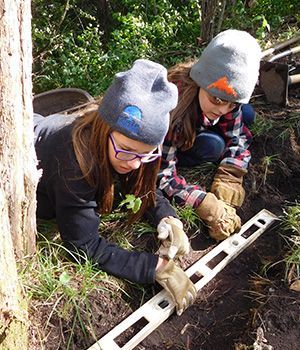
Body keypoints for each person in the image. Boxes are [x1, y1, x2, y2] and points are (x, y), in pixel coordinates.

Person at [34, 59, 196, 315]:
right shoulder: (74, 163)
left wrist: (167, 217)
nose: (134, 164)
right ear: (103, 128)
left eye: (146, 154)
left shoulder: (131, 149)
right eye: (127, 150)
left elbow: (142, 186)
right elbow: (81, 244)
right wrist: (153, 267)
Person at [158, 29, 262, 241]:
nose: (224, 109)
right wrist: (203, 202)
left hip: (200, 119)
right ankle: (196, 143)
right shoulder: (172, 111)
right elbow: (161, 175)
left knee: (248, 114)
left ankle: (215, 118)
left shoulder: (225, 97)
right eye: (217, 100)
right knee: (213, 146)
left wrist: (231, 173)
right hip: (179, 132)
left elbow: (238, 136)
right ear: (200, 83)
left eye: (232, 103)